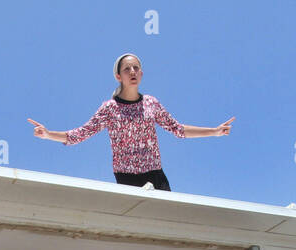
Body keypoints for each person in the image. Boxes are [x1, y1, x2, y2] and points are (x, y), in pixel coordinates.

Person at [29, 53, 234, 191]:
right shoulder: (109, 108)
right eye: (127, 69)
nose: (133, 71)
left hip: (155, 173)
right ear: (119, 76)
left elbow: (178, 129)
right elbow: (80, 134)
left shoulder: (151, 103)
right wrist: (48, 134)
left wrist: (214, 131)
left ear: (142, 74)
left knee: (167, 221)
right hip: (126, 177)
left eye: (136, 68)